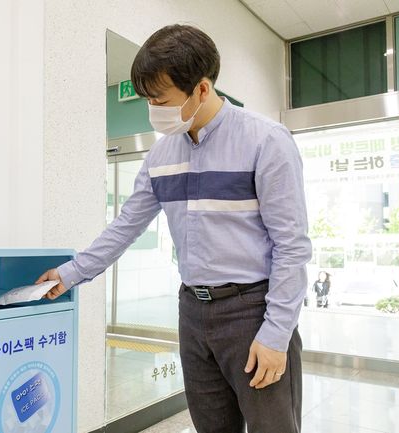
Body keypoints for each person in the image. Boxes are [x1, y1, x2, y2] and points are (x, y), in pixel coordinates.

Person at [36, 24, 311, 433]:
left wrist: (276, 333)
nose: (153, 109)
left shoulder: (265, 141)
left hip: (253, 310)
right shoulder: (160, 156)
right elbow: (126, 226)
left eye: (161, 100)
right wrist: (70, 273)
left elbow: (292, 246)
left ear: (201, 89)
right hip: (193, 313)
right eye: (148, 100)